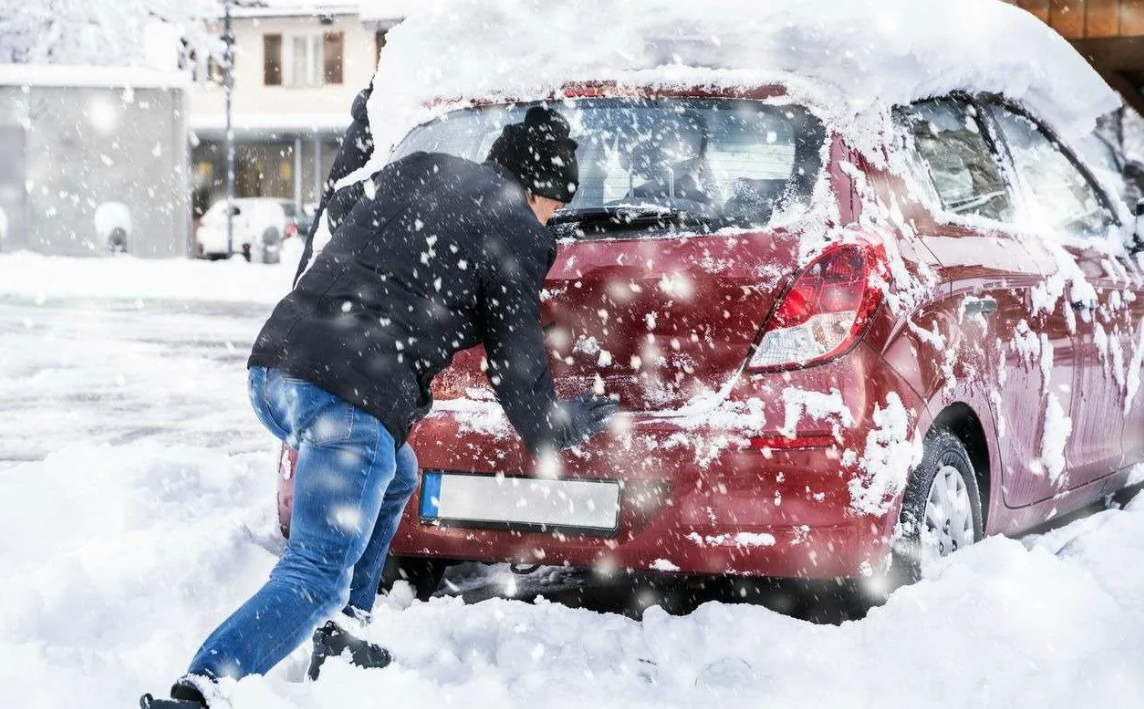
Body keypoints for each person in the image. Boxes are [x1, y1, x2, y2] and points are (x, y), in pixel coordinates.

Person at [140, 104, 619, 708]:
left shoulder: (420, 168)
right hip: (349, 398)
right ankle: (202, 689)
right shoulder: (518, 230)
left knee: (400, 473)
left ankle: (347, 630)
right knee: (314, 573)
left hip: (277, 367)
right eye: (556, 206)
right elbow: (516, 371)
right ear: (539, 191)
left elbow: (339, 208)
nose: (555, 220)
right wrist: (558, 424)